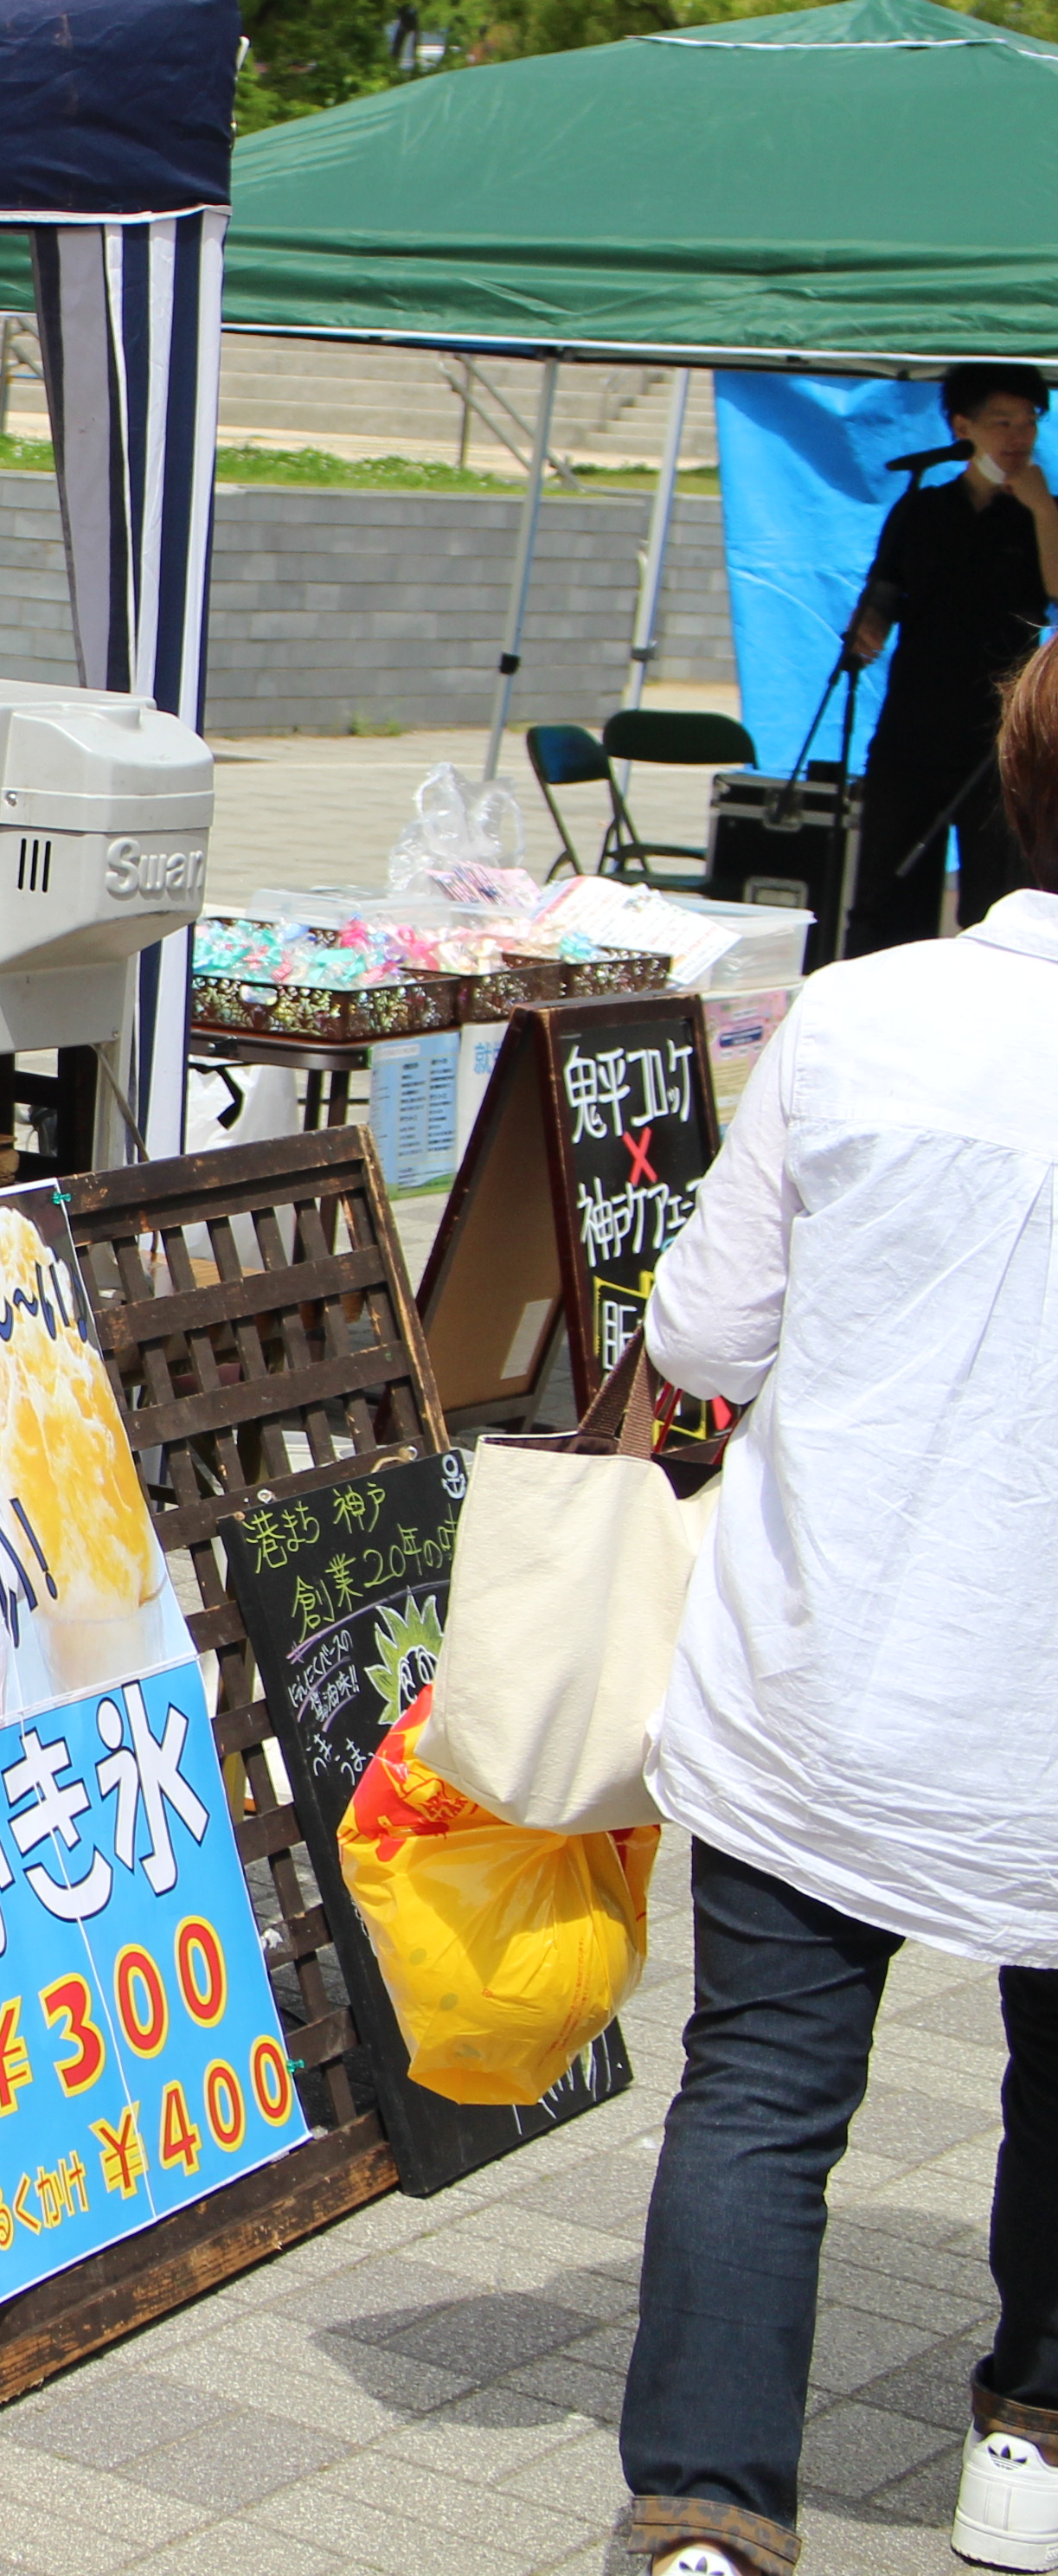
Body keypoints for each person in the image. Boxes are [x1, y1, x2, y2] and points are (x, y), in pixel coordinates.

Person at [618, 643, 1058, 2576]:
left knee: (762, 2089)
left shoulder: (864, 1013)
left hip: (826, 1660)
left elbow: (706, 1334)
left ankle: (705, 2518)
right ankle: (1027, 2445)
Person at [837, 361, 1055, 954]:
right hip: (914, 726)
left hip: (999, 738)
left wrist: (1043, 511)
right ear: (963, 427)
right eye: (1002, 422)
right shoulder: (922, 509)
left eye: (1029, 422)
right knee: (886, 893)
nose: (1018, 437)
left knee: (995, 894)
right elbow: (886, 592)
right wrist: (867, 628)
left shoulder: (1046, 513)